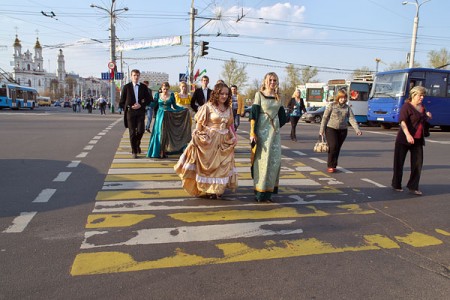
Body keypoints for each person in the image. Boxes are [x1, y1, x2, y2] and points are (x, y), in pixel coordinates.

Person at [174, 82, 238, 199]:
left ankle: (217, 189)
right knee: (209, 168)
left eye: (226, 94)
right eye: (221, 93)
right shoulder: (207, 107)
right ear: (216, 94)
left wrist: (233, 136)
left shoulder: (228, 109)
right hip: (210, 140)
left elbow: (229, 126)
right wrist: (198, 136)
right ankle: (208, 189)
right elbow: (199, 125)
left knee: (221, 166)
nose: (224, 96)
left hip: (224, 141)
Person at [249, 72, 287, 202]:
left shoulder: (279, 97)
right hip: (261, 132)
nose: (272, 82)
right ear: (265, 81)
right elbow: (253, 114)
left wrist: (275, 124)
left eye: (274, 80)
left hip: (274, 134)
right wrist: (253, 132)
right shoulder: (259, 95)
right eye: (270, 80)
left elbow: (283, 117)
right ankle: (259, 192)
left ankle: (268, 192)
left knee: (274, 162)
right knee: (262, 162)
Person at [391, 86, 432, 196]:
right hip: (404, 139)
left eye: (423, 95)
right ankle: (396, 184)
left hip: (418, 140)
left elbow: (422, 121)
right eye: (420, 95)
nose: (422, 97)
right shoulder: (407, 106)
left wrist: (427, 116)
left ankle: (413, 187)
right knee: (399, 163)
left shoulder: (422, 107)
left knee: (417, 164)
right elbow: (402, 122)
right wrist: (408, 135)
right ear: (413, 95)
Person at [319, 89, 362, 173]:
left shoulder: (347, 108)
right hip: (331, 128)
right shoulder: (332, 106)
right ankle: (330, 165)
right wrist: (321, 130)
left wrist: (357, 129)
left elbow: (351, 118)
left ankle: (334, 165)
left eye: (344, 97)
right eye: (341, 97)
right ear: (338, 97)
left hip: (342, 130)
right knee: (333, 146)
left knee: (337, 148)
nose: (342, 99)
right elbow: (325, 117)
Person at [147, 82, 191, 159]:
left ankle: (164, 151)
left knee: (167, 134)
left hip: (169, 116)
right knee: (159, 133)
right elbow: (153, 104)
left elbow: (174, 106)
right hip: (160, 116)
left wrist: (183, 109)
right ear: (161, 88)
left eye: (167, 89)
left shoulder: (171, 95)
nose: (165, 90)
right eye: (164, 89)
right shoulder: (157, 95)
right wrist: (145, 103)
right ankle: (159, 151)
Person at [119, 69, 152, 158]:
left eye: (137, 75)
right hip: (130, 112)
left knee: (141, 130)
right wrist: (129, 107)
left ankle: (137, 144)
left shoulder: (143, 87)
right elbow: (121, 102)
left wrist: (141, 105)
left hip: (140, 112)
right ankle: (134, 151)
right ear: (131, 76)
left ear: (139, 76)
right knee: (132, 132)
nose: (136, 77)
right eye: (134, 75)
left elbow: (149, 99)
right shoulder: (126, 87)